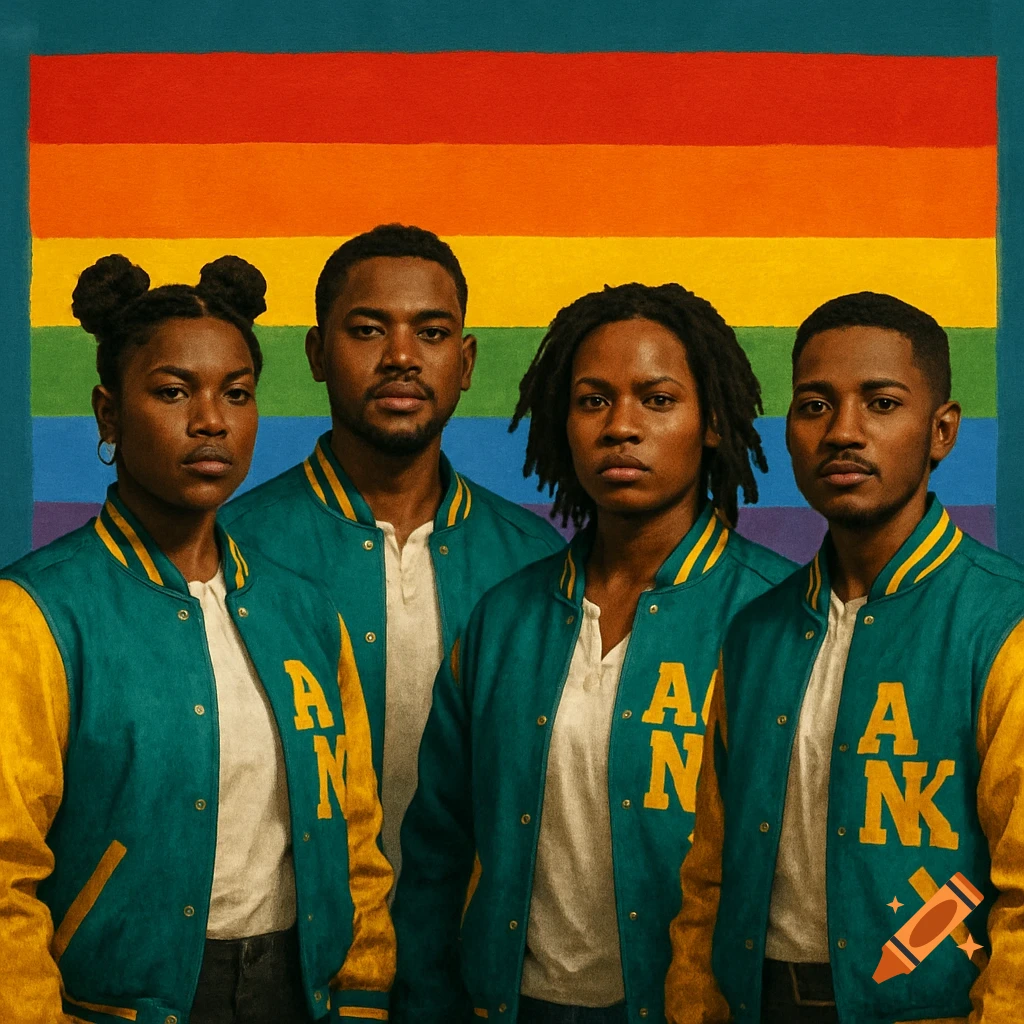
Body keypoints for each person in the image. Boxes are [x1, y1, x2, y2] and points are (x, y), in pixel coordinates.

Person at [0, 255, 394, 1024]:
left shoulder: (304, 613)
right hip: (121, 1005)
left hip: (299, 993)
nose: (211, 419)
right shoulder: (38, 612)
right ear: (109, 415)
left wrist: (363, 990)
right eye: (173, 391)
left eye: (237, 393)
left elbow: (355, 836)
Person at [391, 282, 793, 1024]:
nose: (621, 427)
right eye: (593, 400)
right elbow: (437, 855)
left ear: (710, 422)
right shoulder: (505, 620)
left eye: (658, 400)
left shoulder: (775, 621)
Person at [665, 292, 1024, 1024]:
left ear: (942, 431)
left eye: (883, 403)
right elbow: (708, 874)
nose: (844, 432)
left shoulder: (1002, 624)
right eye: (815, 406)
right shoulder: (756, 633)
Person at [221, 224, 563, 884]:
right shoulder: (233, 548)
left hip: (477, 965)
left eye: (431, 333)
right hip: (290, 965)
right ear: (318, 353)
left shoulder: (535, 559)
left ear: (465, 363)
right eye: (369, 330)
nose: (401, 356)